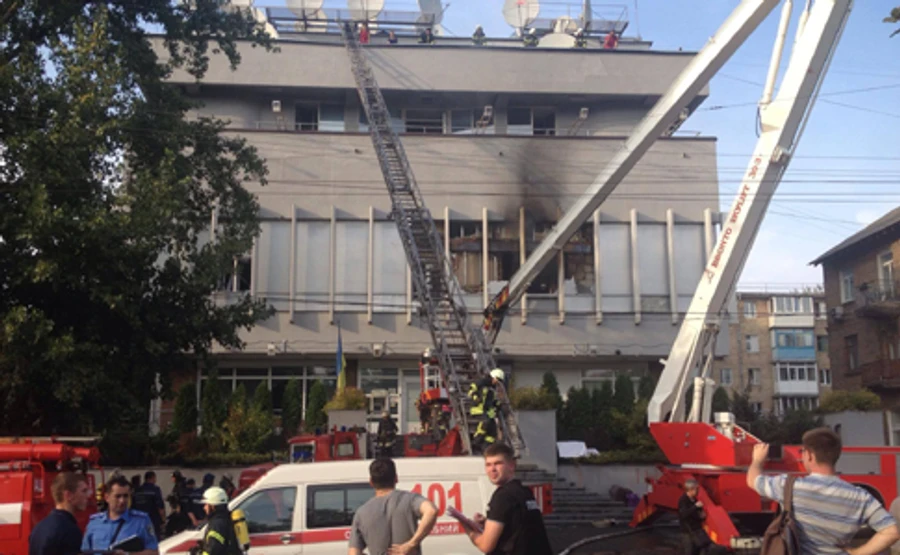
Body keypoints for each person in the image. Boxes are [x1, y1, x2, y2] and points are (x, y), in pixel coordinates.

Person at [747, 428, 900, 555]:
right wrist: (857, 553)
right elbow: (892, 532)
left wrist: (757, 460)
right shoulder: (861, 497)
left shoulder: (789, 487)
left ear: (809, 456)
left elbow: (753, 480)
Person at [461, 443, 552, 555]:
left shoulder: (503, 496)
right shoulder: (524, 491)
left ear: (512, 465)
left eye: (498, 463)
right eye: (488, 465)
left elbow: (486, 546)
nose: (492, 469)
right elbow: (518, 526)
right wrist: (487, 522)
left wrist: (468, 529)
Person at [349, 458, 438, 555]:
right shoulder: (410, 499)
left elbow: (353, 553)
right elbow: (431, 511)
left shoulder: (361, 513)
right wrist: (411, 544)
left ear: (371, 482)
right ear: (396, 478)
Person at [82, 475, 159, 555]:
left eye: (125, 496)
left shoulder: (141, 521)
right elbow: (85, 551)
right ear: (107, 497)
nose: (122, 501)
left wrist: (128, 554)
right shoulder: (95, 523)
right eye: (117, 496)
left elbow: (154, 552)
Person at [29, 472, 90, 555]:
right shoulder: (69, 530)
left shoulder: (38, 528)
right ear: (68, 495)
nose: (88, 495)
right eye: (84, 491)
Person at [199, 487, 242, 555]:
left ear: (213, 505)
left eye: (206, 504)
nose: (204, 508)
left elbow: (213, 550)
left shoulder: (217, 524)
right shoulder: (225, 518)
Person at [677, 479, 715, 555]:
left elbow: (698, 514)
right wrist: (695, 507)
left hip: (696, 529)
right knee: (689, 551)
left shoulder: (694, 499)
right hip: (688, 531)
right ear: (691, 490)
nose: (698, 491)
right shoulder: (683, 500)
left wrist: (702, 515)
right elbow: (683, 514)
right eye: (696, 489)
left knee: (702, 548)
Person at [134, 471, 166, 539]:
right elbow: (160, 506)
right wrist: (163, 520)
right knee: (154, 539)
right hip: (153, 520)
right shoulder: (155, 489)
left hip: (139, 521)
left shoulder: (138, 490)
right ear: (152, 478)